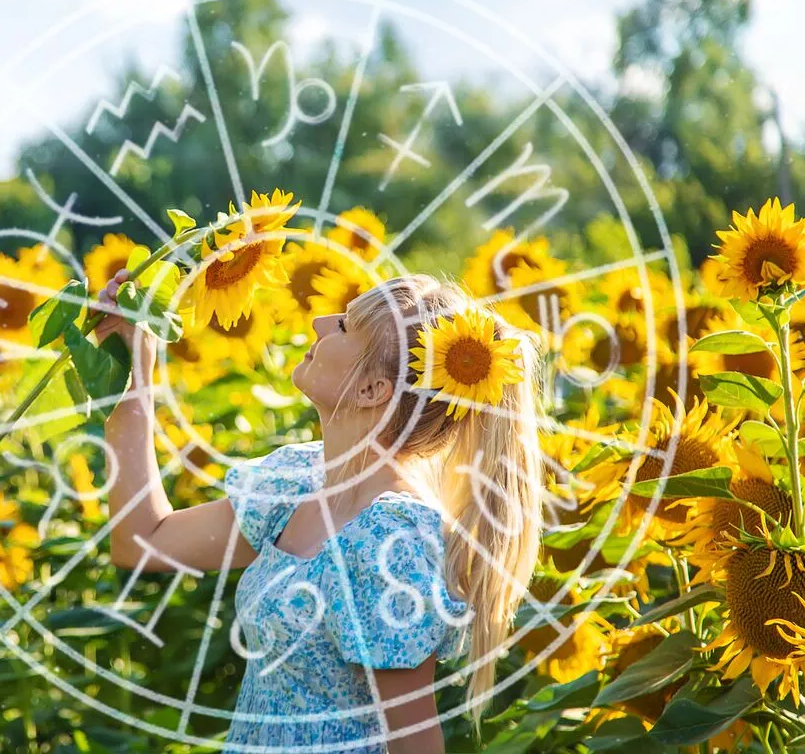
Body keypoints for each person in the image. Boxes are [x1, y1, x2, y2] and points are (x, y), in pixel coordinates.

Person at [94, 269, 543, 753]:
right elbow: (143, 542)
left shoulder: (390, 542)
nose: (320, 323)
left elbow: (415, 745)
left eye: (346, 326)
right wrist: (133, 377)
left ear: (373, 389)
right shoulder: (300, 485)